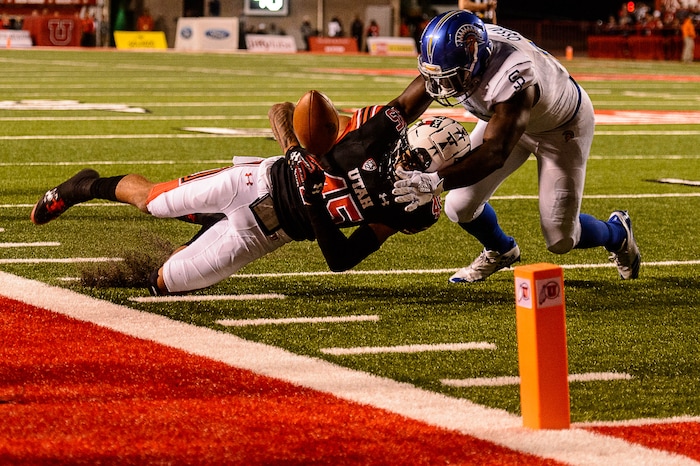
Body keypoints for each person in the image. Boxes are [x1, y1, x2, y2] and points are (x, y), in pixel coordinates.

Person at [30, 89, 449, 296]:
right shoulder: (365, 131)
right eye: (411, 155)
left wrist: (311, 203)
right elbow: (280, 111)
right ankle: (84, 184)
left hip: (267, 235)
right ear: (408, 135)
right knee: (153, 202)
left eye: (423, 165)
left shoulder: (413, 211)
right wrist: (295, 153)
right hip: (253, 183)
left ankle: (204, 230)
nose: (409, 166)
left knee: (166, 283)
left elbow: (341, 259)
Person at [391, 10, 641, 283]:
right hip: (505, 121)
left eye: (452, 77)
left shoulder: (512, 74)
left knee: (561, 238)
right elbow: (402, 107)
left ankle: (618, 233)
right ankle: (500, 250)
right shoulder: (462, 53)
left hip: (561, 130)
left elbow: (495, 153)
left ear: (476, 61)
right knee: (459, 206)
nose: (443, 86)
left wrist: (436, 180)